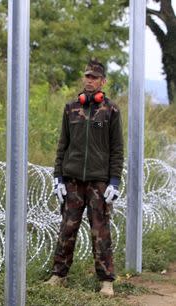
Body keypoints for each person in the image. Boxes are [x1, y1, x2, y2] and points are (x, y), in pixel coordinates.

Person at [45, 59, 123, 297]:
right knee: (67, 228)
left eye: (94, 77)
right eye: (87, 76)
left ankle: (106, 281)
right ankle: (59, 275)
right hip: (73, 180)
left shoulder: (111, 111)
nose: (89, 80)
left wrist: (114, 181)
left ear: (103, 82)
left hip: (99, 182)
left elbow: (117, 149)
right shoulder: (70, 109)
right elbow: (62, 145)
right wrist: (58, 176)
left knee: (100, 231)